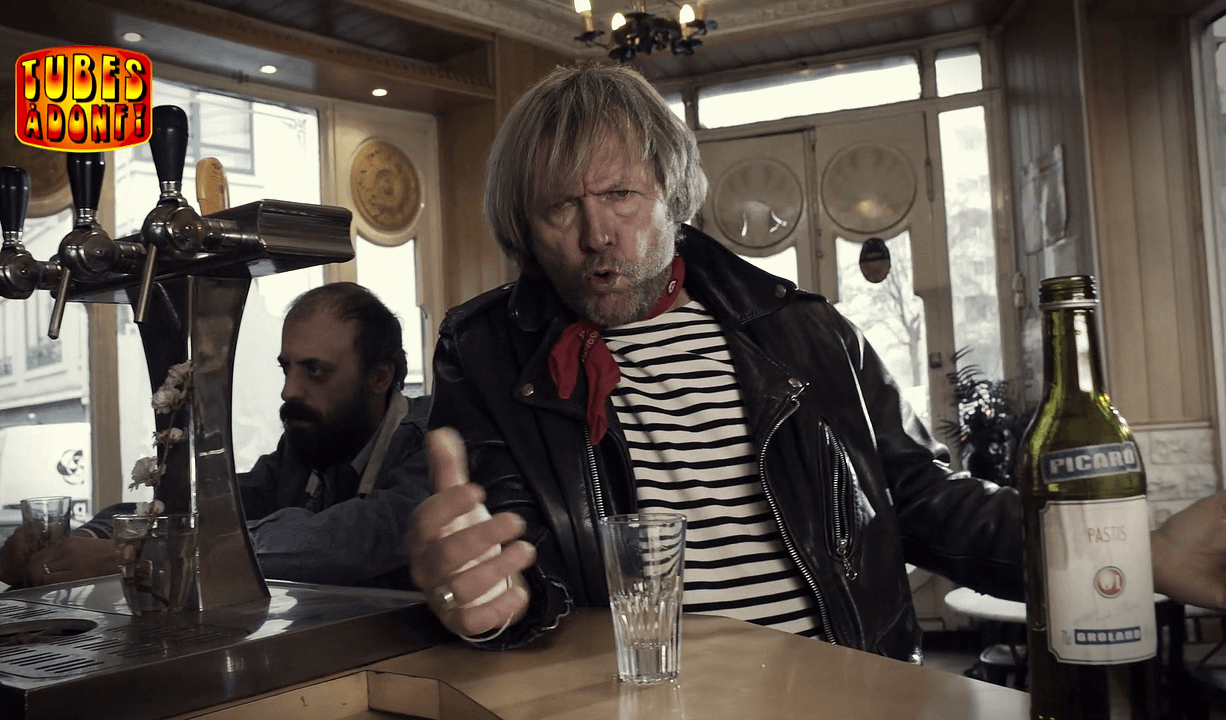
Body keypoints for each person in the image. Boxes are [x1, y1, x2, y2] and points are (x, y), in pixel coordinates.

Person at [405, 63, 1226, 659]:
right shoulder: (486, 353)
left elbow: (927, 501)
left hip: (845, 689)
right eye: (560, 207)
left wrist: (1133, 551)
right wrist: (487, 602)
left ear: (672, 193)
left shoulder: (805, 333)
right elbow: (518, 571)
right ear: (525, 226)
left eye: (621, 194)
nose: (596, 235)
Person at [0, 282, 431, 590]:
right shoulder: (306, 449)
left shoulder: (431, 442)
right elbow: (205, 506)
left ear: (379, 377)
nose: (289, 391)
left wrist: (134, 554)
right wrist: (86, 539)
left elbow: (355, 539)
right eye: (287, 368)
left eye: (314, 371)